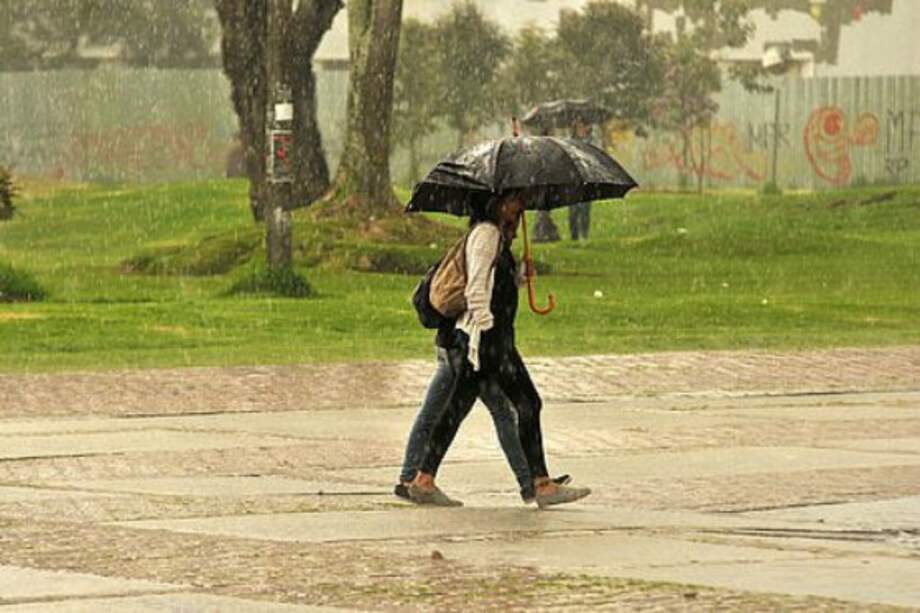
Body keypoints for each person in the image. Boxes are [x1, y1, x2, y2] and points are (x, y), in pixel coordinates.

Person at [403, 189, 591, 508]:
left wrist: (518, 277)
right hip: (488, 339)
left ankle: (423, 479)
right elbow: (476, 288)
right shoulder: (486, 235)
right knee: (528, 403)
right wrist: (489, 328)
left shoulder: (496, 237)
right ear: (498, 203)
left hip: (485, 339)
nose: (521, 205)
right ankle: (541, 485)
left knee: (456, 408)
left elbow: (494, 285)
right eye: (515, 199)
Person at [569, 119, 594, 241]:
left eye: (583, 127)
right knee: (573, 210)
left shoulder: (590, 143)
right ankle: (574, 235)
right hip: (574, 180)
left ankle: (584, 234)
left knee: (585, 209)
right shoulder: (570, 143)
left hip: (586, 179)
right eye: (579, 127)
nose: (581, 130)